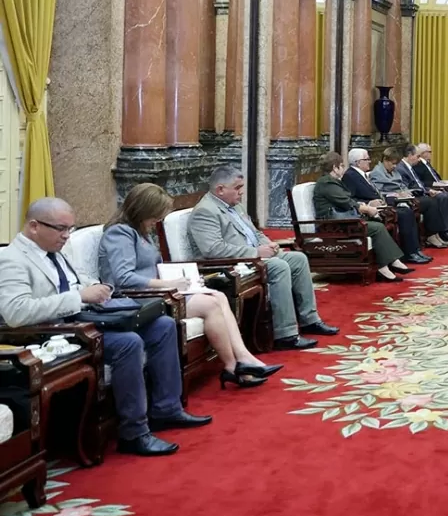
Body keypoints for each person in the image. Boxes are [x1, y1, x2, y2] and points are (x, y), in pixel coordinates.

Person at [0, 198, 210, 456]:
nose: (67, 236)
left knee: (163, 325)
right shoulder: (11, 259)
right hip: (57, 333)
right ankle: (134, 433)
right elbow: (16, 312)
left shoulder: (52, 250)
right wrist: (80, 297)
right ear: (34, 226)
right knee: (128, 343)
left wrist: (100, 288)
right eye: (61, 229)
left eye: (71, 229)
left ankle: (167, 409)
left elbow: (74, 282)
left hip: (87, 318)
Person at [99, 183, 281, 389]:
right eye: (155, 215)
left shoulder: (140, 231)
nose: (157, 220)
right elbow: (124, 278)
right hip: (137, 298)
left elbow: (152, 267)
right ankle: (232, 366)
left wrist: (187, 280)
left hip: (157, 292)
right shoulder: (120, 234)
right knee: (210, 305)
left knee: (218, 296)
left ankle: (244, 358)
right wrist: (168, 283)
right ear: (142, 210)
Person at [188, 166, 339, 351]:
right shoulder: (205, 212)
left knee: (298, 259)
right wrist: (256, 253)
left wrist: (269, 244)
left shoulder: (235, 205)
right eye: (237, 188)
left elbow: (255, 232)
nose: (241, 192)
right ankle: (286, 334)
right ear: (220, 189)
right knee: (278, 266)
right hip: (232, 264)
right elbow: (213, 249)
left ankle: (310, 320)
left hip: (255, 257)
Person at [313, 152, 416, 283]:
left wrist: (365, 205)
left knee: (377, 222)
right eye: (342, 165)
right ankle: (384, 267)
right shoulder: (327, 183)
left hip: (343, 220)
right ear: (335, 167)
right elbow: (347, 202)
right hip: (334, 225)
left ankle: (390, 262)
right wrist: (367, 208)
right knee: (377, 227)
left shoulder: (332, 182)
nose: (344, 168)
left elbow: (348, 200)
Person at [344, 148, 431, 264]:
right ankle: (409, 253)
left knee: (407, 211)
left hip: (381, 204)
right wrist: (369, 203)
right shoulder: (350, 175)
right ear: (358, 162)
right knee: (404, 214)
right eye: (367, 159)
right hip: (372, 210)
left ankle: (415, 250)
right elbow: (351, 199)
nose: (370, 161)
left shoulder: (361, 174)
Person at [371, 148, 448, 249]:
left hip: (406, 197)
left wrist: (406, 192)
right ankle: (431, 236)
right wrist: (396, 194)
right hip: (394, 201)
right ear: (385, 160)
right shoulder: (377, 172)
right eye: (392, 163)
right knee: (429, 202)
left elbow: (402, 185)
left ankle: (435, 234)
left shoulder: (393, 171)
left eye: (396, 163)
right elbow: (378, 192)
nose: (395, 166)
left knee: (432, 201)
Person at [396, 144, 448, 241]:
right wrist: (427, 191)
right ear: (409, 155)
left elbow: (419, 183)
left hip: (422, 192)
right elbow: (409, 187)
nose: (419, 160)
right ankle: (437, 233)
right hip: (414, 196)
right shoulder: (401, 168)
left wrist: (428, 190)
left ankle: (447, 229)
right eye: (417, 156)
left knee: (447, 195)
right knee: (436, 200)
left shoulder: (409, 166)